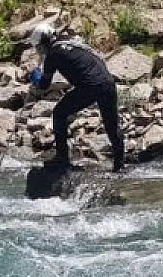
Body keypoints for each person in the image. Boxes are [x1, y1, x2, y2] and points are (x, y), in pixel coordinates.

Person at [27, 21, 125, 172]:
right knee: (111, 125)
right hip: (108, 82)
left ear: (45, 43)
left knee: (59, 113)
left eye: (39, 48)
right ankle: (120, 166)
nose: (40, 52)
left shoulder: (53, 54)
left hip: (89, 86)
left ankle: (62, 158)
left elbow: (44, 85)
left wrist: (35, 76)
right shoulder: (71, 41)